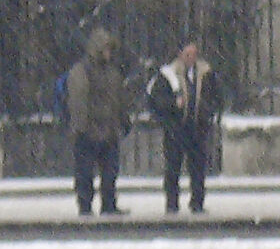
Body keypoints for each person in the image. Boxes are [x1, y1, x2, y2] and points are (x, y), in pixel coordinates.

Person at [148, 40, 222, 215]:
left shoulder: (205, 73)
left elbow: (216, 96)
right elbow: (156, 100)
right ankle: (172, 204)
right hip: (176, 129)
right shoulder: (168, 75)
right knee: (173, 167)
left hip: (198, 127)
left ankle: (197, 202)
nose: (191, 58)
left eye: (194, 54)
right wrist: (173, 105)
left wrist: (207, 111)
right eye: (188, 54)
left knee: (198, 168)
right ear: (180, 54)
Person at [64, 27, 131, 216]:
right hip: (89, 131)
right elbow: (78, 101)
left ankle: (108, 204)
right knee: (85, 174)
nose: (109, 53)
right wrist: (80, 127)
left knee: (110, 173)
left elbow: (119, 99)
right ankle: (86, 205)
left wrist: (122, 120)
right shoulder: (82, 71)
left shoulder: (112, 72)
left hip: (108, 130)